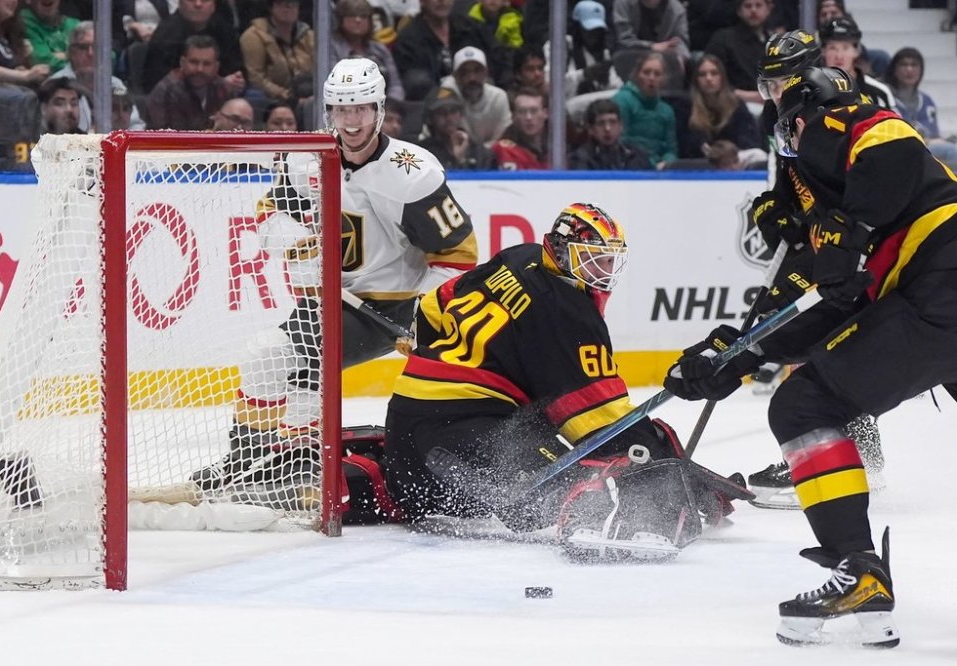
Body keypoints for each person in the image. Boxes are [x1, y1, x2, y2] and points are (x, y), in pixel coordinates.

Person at [665, 65, 957, 647]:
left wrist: (850, 229)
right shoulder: (842, 214)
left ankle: (858, 569)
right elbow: (825, 309)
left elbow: (892, 144)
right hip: (933, 293)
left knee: (803, 406)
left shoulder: (845, 126)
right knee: (807, 394)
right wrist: (738, 356)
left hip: (942, 285)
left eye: (790, 126)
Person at [365, 202, 743, 561]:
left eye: (609, 260)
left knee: (417, 491)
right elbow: (601, 421)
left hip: (406, 422)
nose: (603, 271)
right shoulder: (569, 313)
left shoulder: (519, 256)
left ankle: (367, 476)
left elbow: (432, 308)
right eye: (592, 259)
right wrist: (662, 460)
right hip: (467, 436)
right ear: (561, 252)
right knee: (576, 478)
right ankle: (607, 512)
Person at [190, 57, 478, 498]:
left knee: (291, 353)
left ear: (379, 109)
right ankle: (264, 459)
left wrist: (425, 314)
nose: (351, 120)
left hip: (389, 307)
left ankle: (286, 461)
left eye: (360, 108)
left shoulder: (411, 174)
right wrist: (294, 238)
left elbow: (458, 255)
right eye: (342, 109)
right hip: (330, 302)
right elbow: (271, 213)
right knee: (278, 360)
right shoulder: (307, 159)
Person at [746, 30, 884, 508]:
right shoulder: (780, 114)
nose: (774, 94)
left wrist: (841, 235)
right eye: (768, 85)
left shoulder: (841, 106)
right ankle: (851, 451)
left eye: (781, 83)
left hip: (854, 243)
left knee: (824, 337)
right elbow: (789, 177)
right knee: (813, 338)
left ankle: (835, 454)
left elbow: (868, 180)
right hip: (822, 238)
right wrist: (776, 208)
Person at [392, 0, 503, 100]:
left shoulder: (471, 28)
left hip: (479, 98)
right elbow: (416, 84)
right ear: (422, 2)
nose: (442, 1)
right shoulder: (408, 40)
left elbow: (499, 56)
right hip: (436, 107)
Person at [49, 22, 145, 131]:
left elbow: (135, 125)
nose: (90, 53)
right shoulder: (56, 86)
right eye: (83, 47)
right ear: (71, 53)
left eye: (96, 47)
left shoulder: (115, 84)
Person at [142, 0, 244, 94]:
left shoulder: (225, 31)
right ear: (180, 3)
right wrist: (217, 85)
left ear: (213, 5)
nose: (198, 4)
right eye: (191, 0)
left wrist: (237, 81)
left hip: (224, 97)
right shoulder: (165, 35)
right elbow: (157, 83)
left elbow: (237, 69)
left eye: (205, 0)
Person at [674, 53, 760, 161]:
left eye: (714, 73)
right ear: (696, 80)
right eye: (702, 74)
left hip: (734, 160)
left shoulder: (736, 104)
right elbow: (683, 144)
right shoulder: (685, 106)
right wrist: (701, 146)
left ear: (722, 77)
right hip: (699, 161)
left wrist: (729, 151)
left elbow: (749, 140)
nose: (708, 78)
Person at [884, 46, 957, 170]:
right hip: (898, 150)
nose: (909, 69)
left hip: (926, 150)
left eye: (914, 65)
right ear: (894, 70)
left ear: (921, 70)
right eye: (903, 65)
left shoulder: (927, 101)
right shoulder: (885, 97)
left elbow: (933, 135)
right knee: (952, 152)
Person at [145, 34, 239, 130]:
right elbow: (161, 135)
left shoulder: (224, 88)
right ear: (182, 63)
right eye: (194, 62)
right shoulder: (166, 91)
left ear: (216, 67)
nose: (200, 69)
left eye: (207, 64)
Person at [239, 0, 314, 104]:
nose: (288, 7)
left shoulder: (310, 36)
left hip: (311, 94)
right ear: (271, 7)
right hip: (273, 100)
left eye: (293, 3)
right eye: (281, 3)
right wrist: (289, 98)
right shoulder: (253, 36)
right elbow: (256, 78)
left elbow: (322, 68)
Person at [611, 51, 677, 168]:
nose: (651, 78)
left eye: (657, 74)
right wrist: (649, 164)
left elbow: (671, 150)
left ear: (664, 79)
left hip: (660, 170)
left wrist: (667, 162)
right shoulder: (623, 100)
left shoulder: (667, 111)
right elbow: (620, 143)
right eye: (646, 72)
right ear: (637, 74)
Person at [330, 0, 403, 100]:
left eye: (363, 16)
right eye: (352, 15)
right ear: (340, 20)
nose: (358, 20)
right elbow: (333, 83)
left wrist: (391, 102)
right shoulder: (331, 49)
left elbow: (395, 85)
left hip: (382, 103)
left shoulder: (380, 49)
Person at [440, 46, 511, 148]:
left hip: (492, 153)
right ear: (455, 76)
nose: (472, 78)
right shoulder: (448, 94)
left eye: (477, 71)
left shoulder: (498, 97)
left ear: (486, 73)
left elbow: (504, 139)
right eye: (464, 72)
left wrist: (479, 153)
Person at [819, 16, 894, 111]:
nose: (839, 56)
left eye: (845, 48)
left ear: (857, 51)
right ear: (823, 51)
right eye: (832, 48)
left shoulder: (879, 92)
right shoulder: (810, 90)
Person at [704, 0, 770, 107]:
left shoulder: (774, 42)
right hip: (733, 103)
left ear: (768, 9)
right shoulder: (723, 39)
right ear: (739, 11)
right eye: (748, 6)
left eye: (758, 5)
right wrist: (749, 96)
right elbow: (711, 78)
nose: (753, 10)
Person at [418, 86, 495, 170]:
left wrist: (461, 161)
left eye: (453, 111)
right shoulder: (422, 153)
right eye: (441, 112)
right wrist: (455, 160)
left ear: (461, 115)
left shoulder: (480, 152)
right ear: (430, 118)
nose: (449, 118)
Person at [568, 97, 652, 170]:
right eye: (601, 123)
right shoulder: (580, 159)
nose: (607, 128)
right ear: (591, 129)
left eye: (613, 122)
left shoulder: (637, 156)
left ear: (621, 126)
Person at [561, 0, 623, 98]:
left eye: (597, 30)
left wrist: (606, 81)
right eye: (588, 30)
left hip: (597, 102)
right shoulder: (563, 47)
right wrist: (584, 75)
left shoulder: (604, 53)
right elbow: (553, 88)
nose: (594, 35)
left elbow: (616, 87)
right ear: (578, 27)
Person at [612, 0, 690, 64]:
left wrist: (680, 57)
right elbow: (624, 40)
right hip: (631, 54)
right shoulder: (623, 2)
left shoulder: (677, 9)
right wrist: (651, 47)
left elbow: (681, 42)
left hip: (665, 58)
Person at [491, 86, 549, 170]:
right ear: (513, 116)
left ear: (545, 113)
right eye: (522, 112)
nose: (528, 117)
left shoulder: (559, 145)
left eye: (534, 111)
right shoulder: (505, 149)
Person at [20, 0, 78, 73]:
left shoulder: (74, 24)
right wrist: (73, 57)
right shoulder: (23, 21)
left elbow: (90, 58)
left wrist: (62, 56)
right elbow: (41, 60)